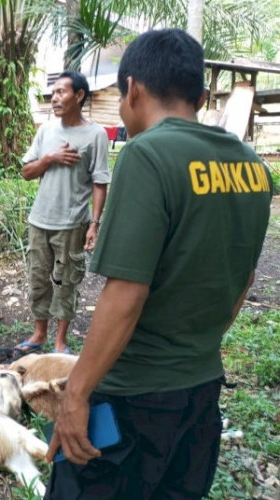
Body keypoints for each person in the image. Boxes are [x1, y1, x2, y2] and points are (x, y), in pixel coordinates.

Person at [45, 29, 272, 500]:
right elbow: (243, 279)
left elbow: (126, 293)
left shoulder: (147, 155)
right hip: (201, 395)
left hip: (133, 399)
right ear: (202, 95)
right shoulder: (252, 165)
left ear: (131, 90)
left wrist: (77, 394)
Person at [15, 70, 110, 355]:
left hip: (72, 223)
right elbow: (26, 172)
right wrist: (50, 158)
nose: (54, 98)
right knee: (38, 277)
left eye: (61, 92)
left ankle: (60, 341)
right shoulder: (46, 130)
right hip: (39, 220)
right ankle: (39, 333)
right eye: (53, 92)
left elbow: (100, 182)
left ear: (79, 96)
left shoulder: (95, 135)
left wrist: (94, 223)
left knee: (67, 281)